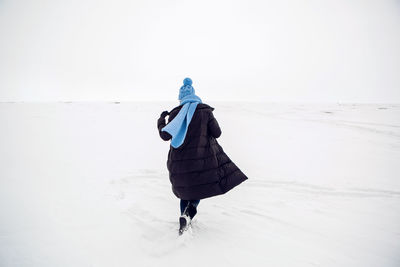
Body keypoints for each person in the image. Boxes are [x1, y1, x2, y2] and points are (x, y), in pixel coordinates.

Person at [157, 77, 248, 234]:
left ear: (181, 97)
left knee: (185, 190)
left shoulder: (174, 115)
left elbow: (165, 135)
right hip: (202, 160)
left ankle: (184, 218)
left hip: (179, 162)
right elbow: (217, 133)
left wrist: (161, 120)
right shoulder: (204, 111)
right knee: (198, 188)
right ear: (193, 94)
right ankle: (189, 213)